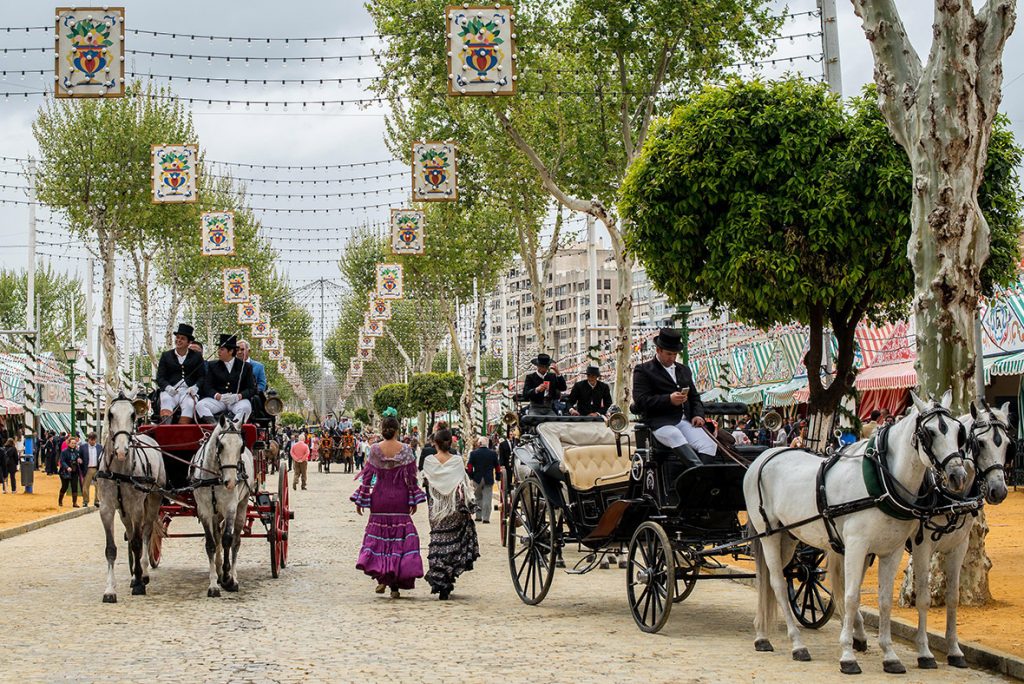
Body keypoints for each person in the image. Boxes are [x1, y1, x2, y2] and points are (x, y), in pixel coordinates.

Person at [351, 413, 426, 598]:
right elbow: (411, 478)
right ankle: (394, 586)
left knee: (380, 539)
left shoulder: (375, 450)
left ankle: (382, 578)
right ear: (397, 431)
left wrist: (362, 498)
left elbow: (367, 477)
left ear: (382, 430)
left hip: (380, 498)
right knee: (398, 541)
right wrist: (413, 500)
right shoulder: (407, 450)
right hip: (400, 499)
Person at [631, 328, 716, 469]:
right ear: (658, 350)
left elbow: (694, 397)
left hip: (684, 420)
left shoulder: (684, 370)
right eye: (669, 354)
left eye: (675, 354)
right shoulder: (643, 370)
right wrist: (668, 399)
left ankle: (698, 481)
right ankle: (700, 476)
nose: (672, 358)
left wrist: (698, 415)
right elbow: (641, 400)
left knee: (709, 445)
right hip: (660, 422)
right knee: (675, 435)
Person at [422, 428, 480, 600]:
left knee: (438, 540)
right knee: (453, 542)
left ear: (435, 443)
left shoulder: (429, 461)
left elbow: (426, 482)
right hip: (454, 507)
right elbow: (463, 484)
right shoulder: (456, 461)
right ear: (451, 443)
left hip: (437, 508)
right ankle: (448, 576)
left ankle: (441, 579)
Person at [196, 334, 256, 423]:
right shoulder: (212, 365)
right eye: (219, 349)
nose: (218, 352)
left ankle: (234, 429)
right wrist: (217, 396)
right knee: (200, 405)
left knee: (246, 408)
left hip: (236, 401)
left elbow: (252, 389)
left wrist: (239, 396)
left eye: (222, 349)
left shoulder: (246, 367)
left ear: (231, 351)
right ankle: (215, 427)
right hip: (219, 401)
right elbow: (207, 387)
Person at [156, 323, 206, 424]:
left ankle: (182, 430)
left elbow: (202, 376)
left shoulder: (196, 356)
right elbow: (160, 377)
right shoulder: (166, 356)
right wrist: (167, 387)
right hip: (171, 390)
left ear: (189, 342)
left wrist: (196, 387)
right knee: (165, 400)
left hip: (188, 391)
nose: (178, 340)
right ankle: (166, 427)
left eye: (182, 338)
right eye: (177, 338)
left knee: (189, 404)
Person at [467, 436, 499, 524]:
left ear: (479, 444)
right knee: (487, 498)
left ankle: (478, 516)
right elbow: (497, 466)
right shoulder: (493, 453)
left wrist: (471, 475)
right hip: (488, 478)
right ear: (487, 444)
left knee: (478, 497)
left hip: (477, 478)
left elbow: (469, 466)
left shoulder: (473, 453)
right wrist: (498, 476)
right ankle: (486, 518)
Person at [78, 432, 104, 507]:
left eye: (93, 440)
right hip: (87, 468)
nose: (92, 441)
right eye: (90, 440)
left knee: (98, 486)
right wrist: (79, 459)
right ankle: (85, 501)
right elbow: (79, 455)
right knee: (86, 485)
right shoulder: (83, 447)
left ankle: (97, 500)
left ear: (96, 439)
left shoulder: (100, 447)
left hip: (97, 468)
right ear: (88, 439)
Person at [58, 436, 81, 507]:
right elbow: (62, 461)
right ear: (68, 443)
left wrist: (79, 460)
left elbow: (78, 458)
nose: (73, 444)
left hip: (74, 471)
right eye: (72, 443)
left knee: (74, 486)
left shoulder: (77, 452)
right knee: (65, 486)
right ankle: (60, 500)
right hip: (65, 472)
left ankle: (74, 502)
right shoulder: (64, 452)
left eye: (75, 443)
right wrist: (67, 467)